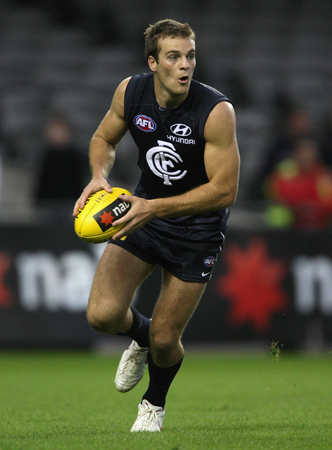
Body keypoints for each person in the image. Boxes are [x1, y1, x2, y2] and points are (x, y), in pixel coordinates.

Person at [73, 19, 240, 432]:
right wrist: (98, 176)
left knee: (168, 340)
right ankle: (140, 336)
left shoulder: (216, 111)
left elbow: (225, 191)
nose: (185, 65)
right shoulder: (131, 92)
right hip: (142, 211)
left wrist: (155, 208)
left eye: (190, 56)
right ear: (153, 62)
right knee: (101, 315)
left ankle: (154, 404)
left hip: (196, 229)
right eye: (174, 57)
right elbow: (103, 139)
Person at [265, 137, 332, 229]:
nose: (306, 157)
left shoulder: (323, 176)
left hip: (318, 223)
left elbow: (328, 201)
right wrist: (299, 207)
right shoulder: (286, 170)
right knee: (278, 214)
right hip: (290, 220)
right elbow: (277, 193)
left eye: (309, 153)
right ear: (296, 154)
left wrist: (314, 208)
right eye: (303, 153)